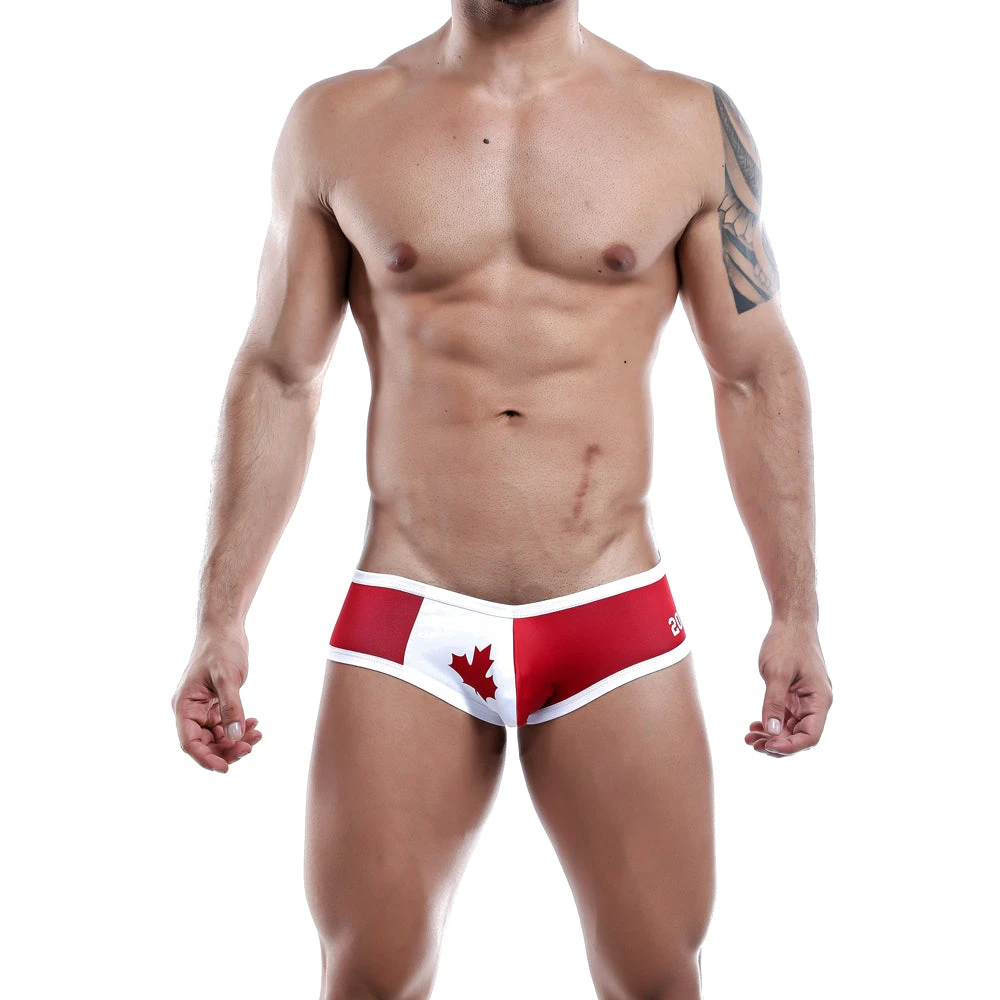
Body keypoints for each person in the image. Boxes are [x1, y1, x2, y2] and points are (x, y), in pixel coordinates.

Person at [170, 1, 833, 996]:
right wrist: (220, 616)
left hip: (608, 605)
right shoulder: (339, 122)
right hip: (410, 611)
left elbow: (753, 372)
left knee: (658, 979)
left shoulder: (684, 122)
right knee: (365, 979)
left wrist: (796, 611)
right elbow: (279, 373)